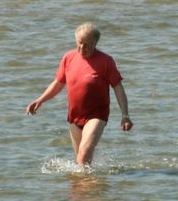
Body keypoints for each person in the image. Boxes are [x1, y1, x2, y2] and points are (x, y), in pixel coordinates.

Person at [26, 23, 132, 166]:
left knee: (83, 156)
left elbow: (118, 88)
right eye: (80, 43)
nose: (82, 48)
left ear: (95, 43)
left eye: (87, 44)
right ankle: (89, 187)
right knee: (81, 163)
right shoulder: (68, 58)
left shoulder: (106, 61)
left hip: (96, 116)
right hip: (74, 116)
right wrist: (40, 100)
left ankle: (91, 185)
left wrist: (125, 116)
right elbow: (58, 83)